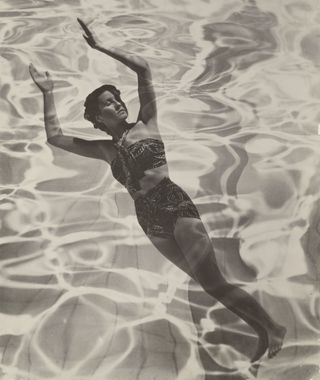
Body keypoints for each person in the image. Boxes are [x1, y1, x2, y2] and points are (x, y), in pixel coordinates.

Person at [29, 17, 286, 364]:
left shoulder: (146, 123)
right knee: (209, 285)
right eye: (108, 103)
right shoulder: (104, 150)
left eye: (117, 98)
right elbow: (55, 137)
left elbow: (144, 70)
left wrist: (100, 45)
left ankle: (272, 327)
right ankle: (262, 330)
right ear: (96, 118)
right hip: (148, 220)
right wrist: (48, 93)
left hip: (173, 203)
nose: (117, 103)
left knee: (213, 279)